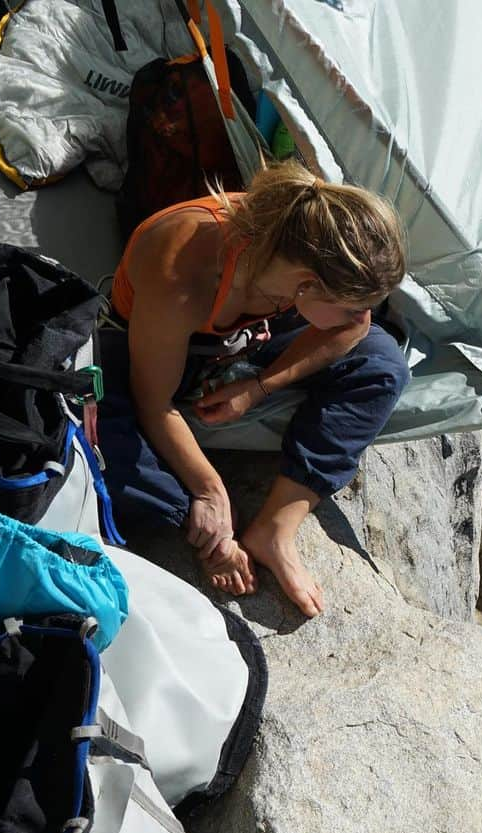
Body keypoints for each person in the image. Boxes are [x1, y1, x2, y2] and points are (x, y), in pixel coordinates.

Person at [101, 160, 410, 617]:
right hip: (153, 348)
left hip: (250, 337)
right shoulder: (184, 265)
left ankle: (274, 529)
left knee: (383, 367)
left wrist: (259, 387)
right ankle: (193, 518)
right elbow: (154, 402)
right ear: (307, 286)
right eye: (350, 306)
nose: (360, 317)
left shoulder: (298, 253)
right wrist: (210, 490)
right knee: (97, 434)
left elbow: (354, 329)